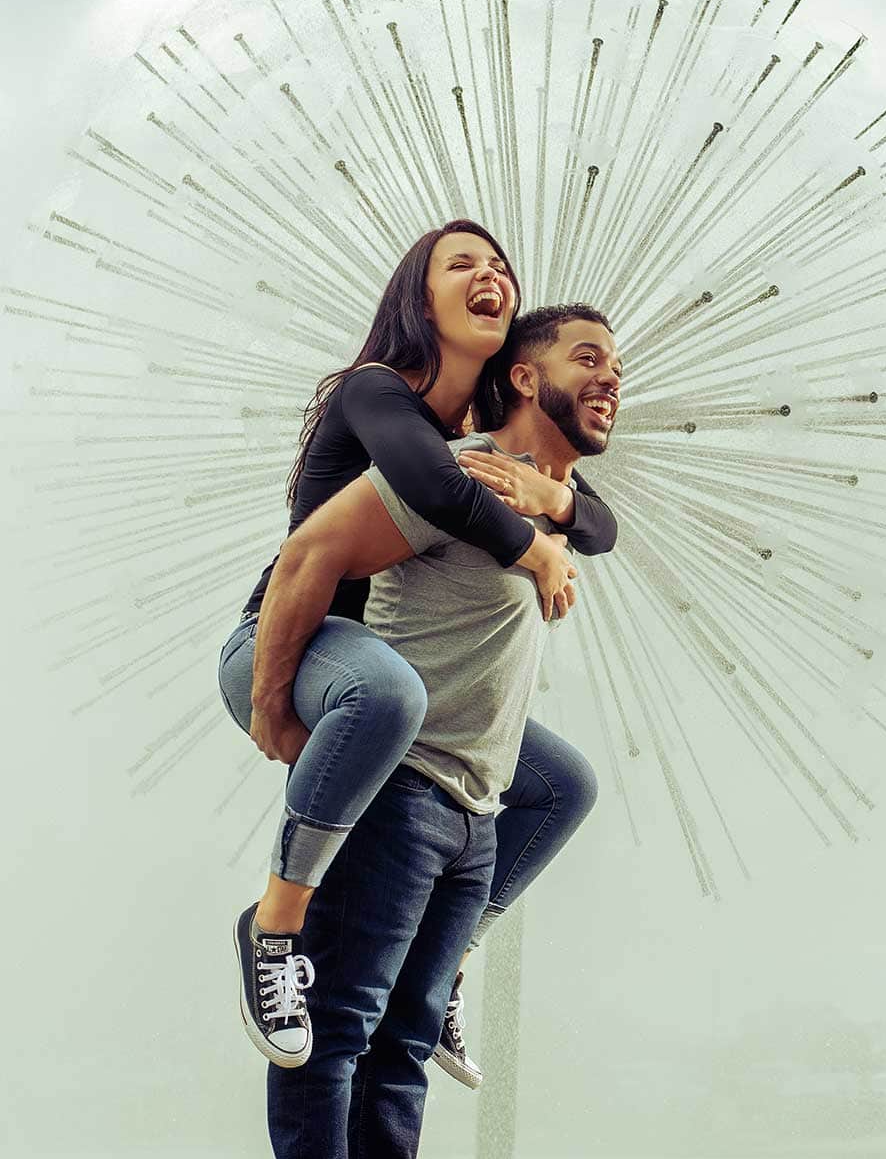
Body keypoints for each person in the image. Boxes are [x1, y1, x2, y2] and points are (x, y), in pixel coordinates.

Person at [252, 303, 621, 1159]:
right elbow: (313, 554)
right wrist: (276, 703)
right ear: (522, 380)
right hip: (401, 789)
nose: (609, 378)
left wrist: (557, 505)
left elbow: (600, 523)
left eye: (615, 364)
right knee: (342, 1024)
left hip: (477, 804)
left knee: (405, 1033)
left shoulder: (544, 503)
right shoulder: (455, 481)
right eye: (586, 358)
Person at [217, 220, 613, 1072]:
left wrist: (560, 499)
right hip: (283, 644)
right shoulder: (376, 392)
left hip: (370, 668)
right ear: (417, 296)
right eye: (461, 263)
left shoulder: (475, 432)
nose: (489, 274)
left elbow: (604, 527)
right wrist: (538, 541)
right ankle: (273, 929)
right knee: (392, 696)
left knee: (559, 784)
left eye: (500, 265)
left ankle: (447, 964)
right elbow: (428, 482)